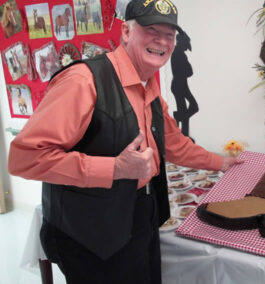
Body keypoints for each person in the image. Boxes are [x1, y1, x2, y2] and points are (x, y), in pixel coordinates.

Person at [8, 0, 242, 283]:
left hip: (140, 218)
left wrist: (222, 163)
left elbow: (175, 144)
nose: (162, 40)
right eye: (151, 29)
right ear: (126, 32)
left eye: (169, 34)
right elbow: (24, 158)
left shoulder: (151, 84)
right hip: (90, 234)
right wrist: (115, 169)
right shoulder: (83, 81)